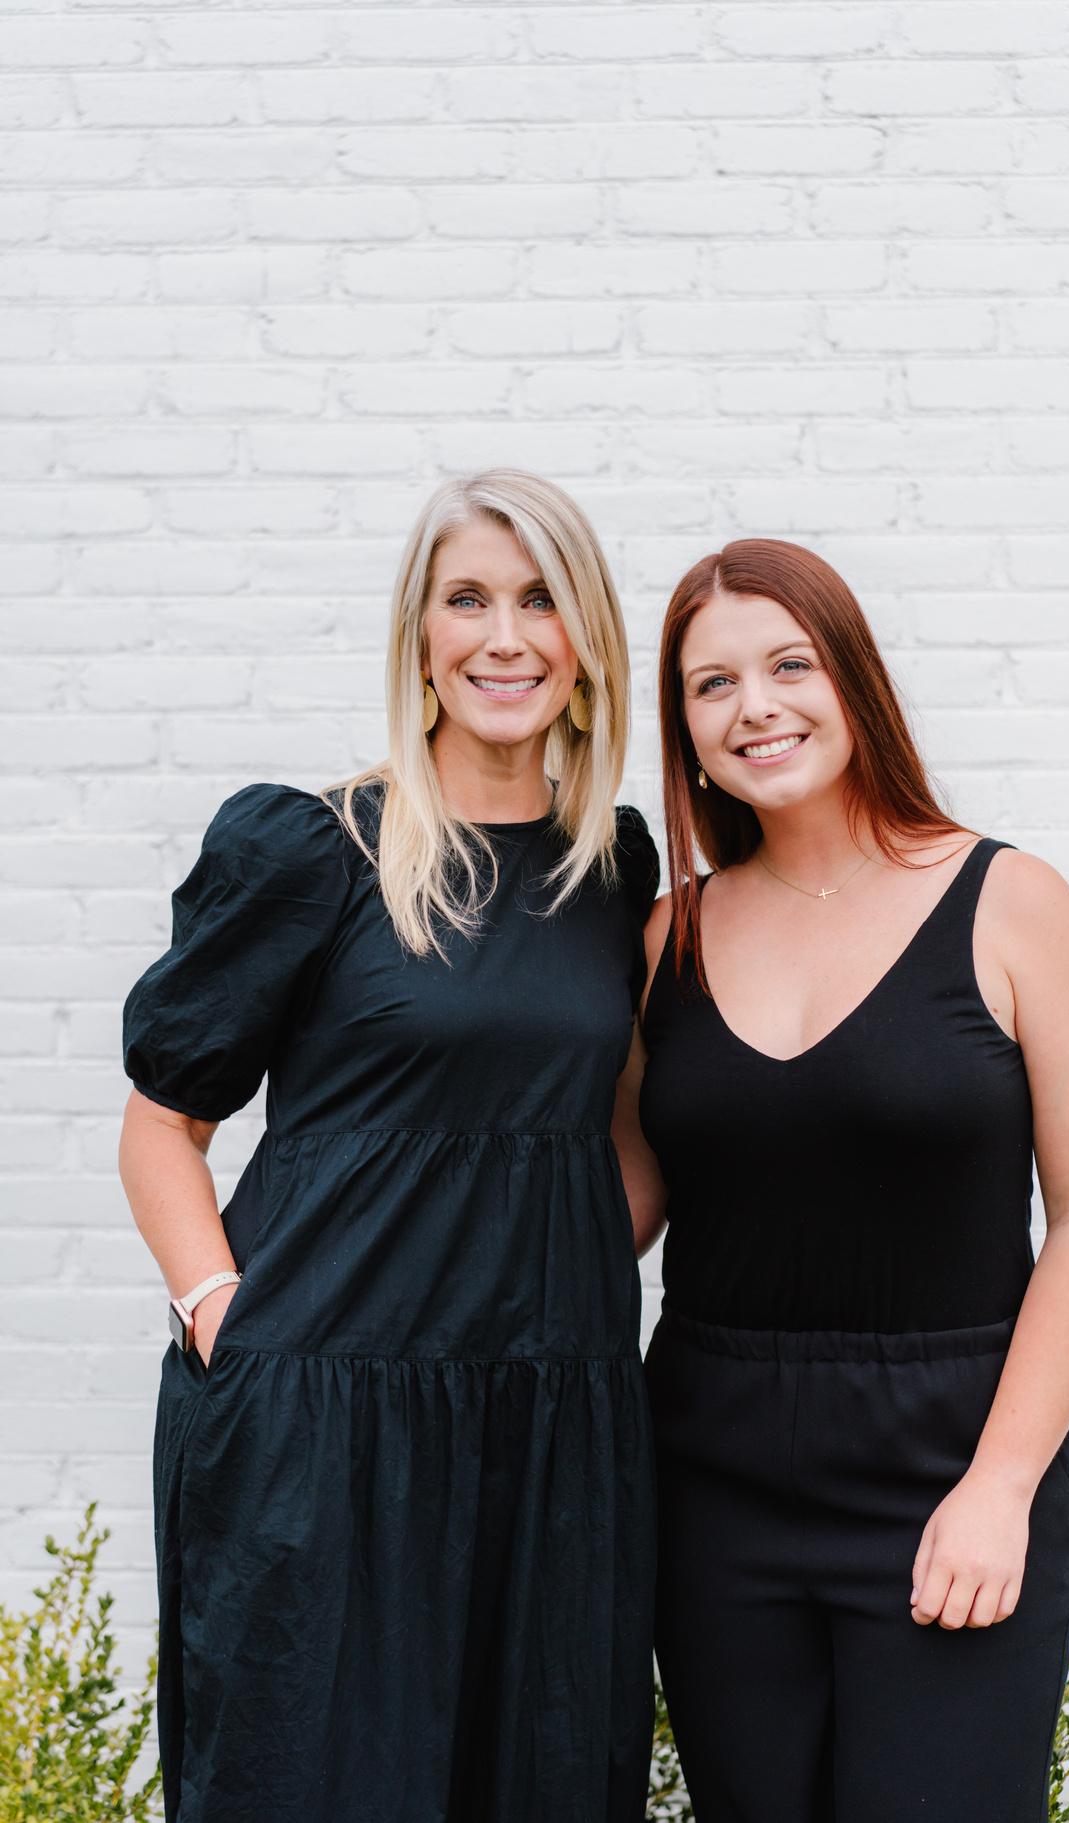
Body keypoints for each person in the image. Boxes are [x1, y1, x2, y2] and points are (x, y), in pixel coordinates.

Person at [118, 470, 660, 1823]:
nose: (503, 636)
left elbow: (607, 1136)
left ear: (588, 638)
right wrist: (226, 1316)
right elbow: (163, 1123)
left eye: (539, 600)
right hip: (320, 1411)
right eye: (466, 599)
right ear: (419, 635)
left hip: (548, 1420)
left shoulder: (610, 868)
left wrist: (573, 1279)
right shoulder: (315, 848)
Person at [613, 538, 1069, 1823]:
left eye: (789, 664)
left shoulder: (1010, 902)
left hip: (948, 1463)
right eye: (712, 683)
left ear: (853, 678)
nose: (755, 706)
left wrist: (1000, 1484)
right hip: (711, 1473)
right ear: (684, 731)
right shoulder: (670, 935)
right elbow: (613, 1206)